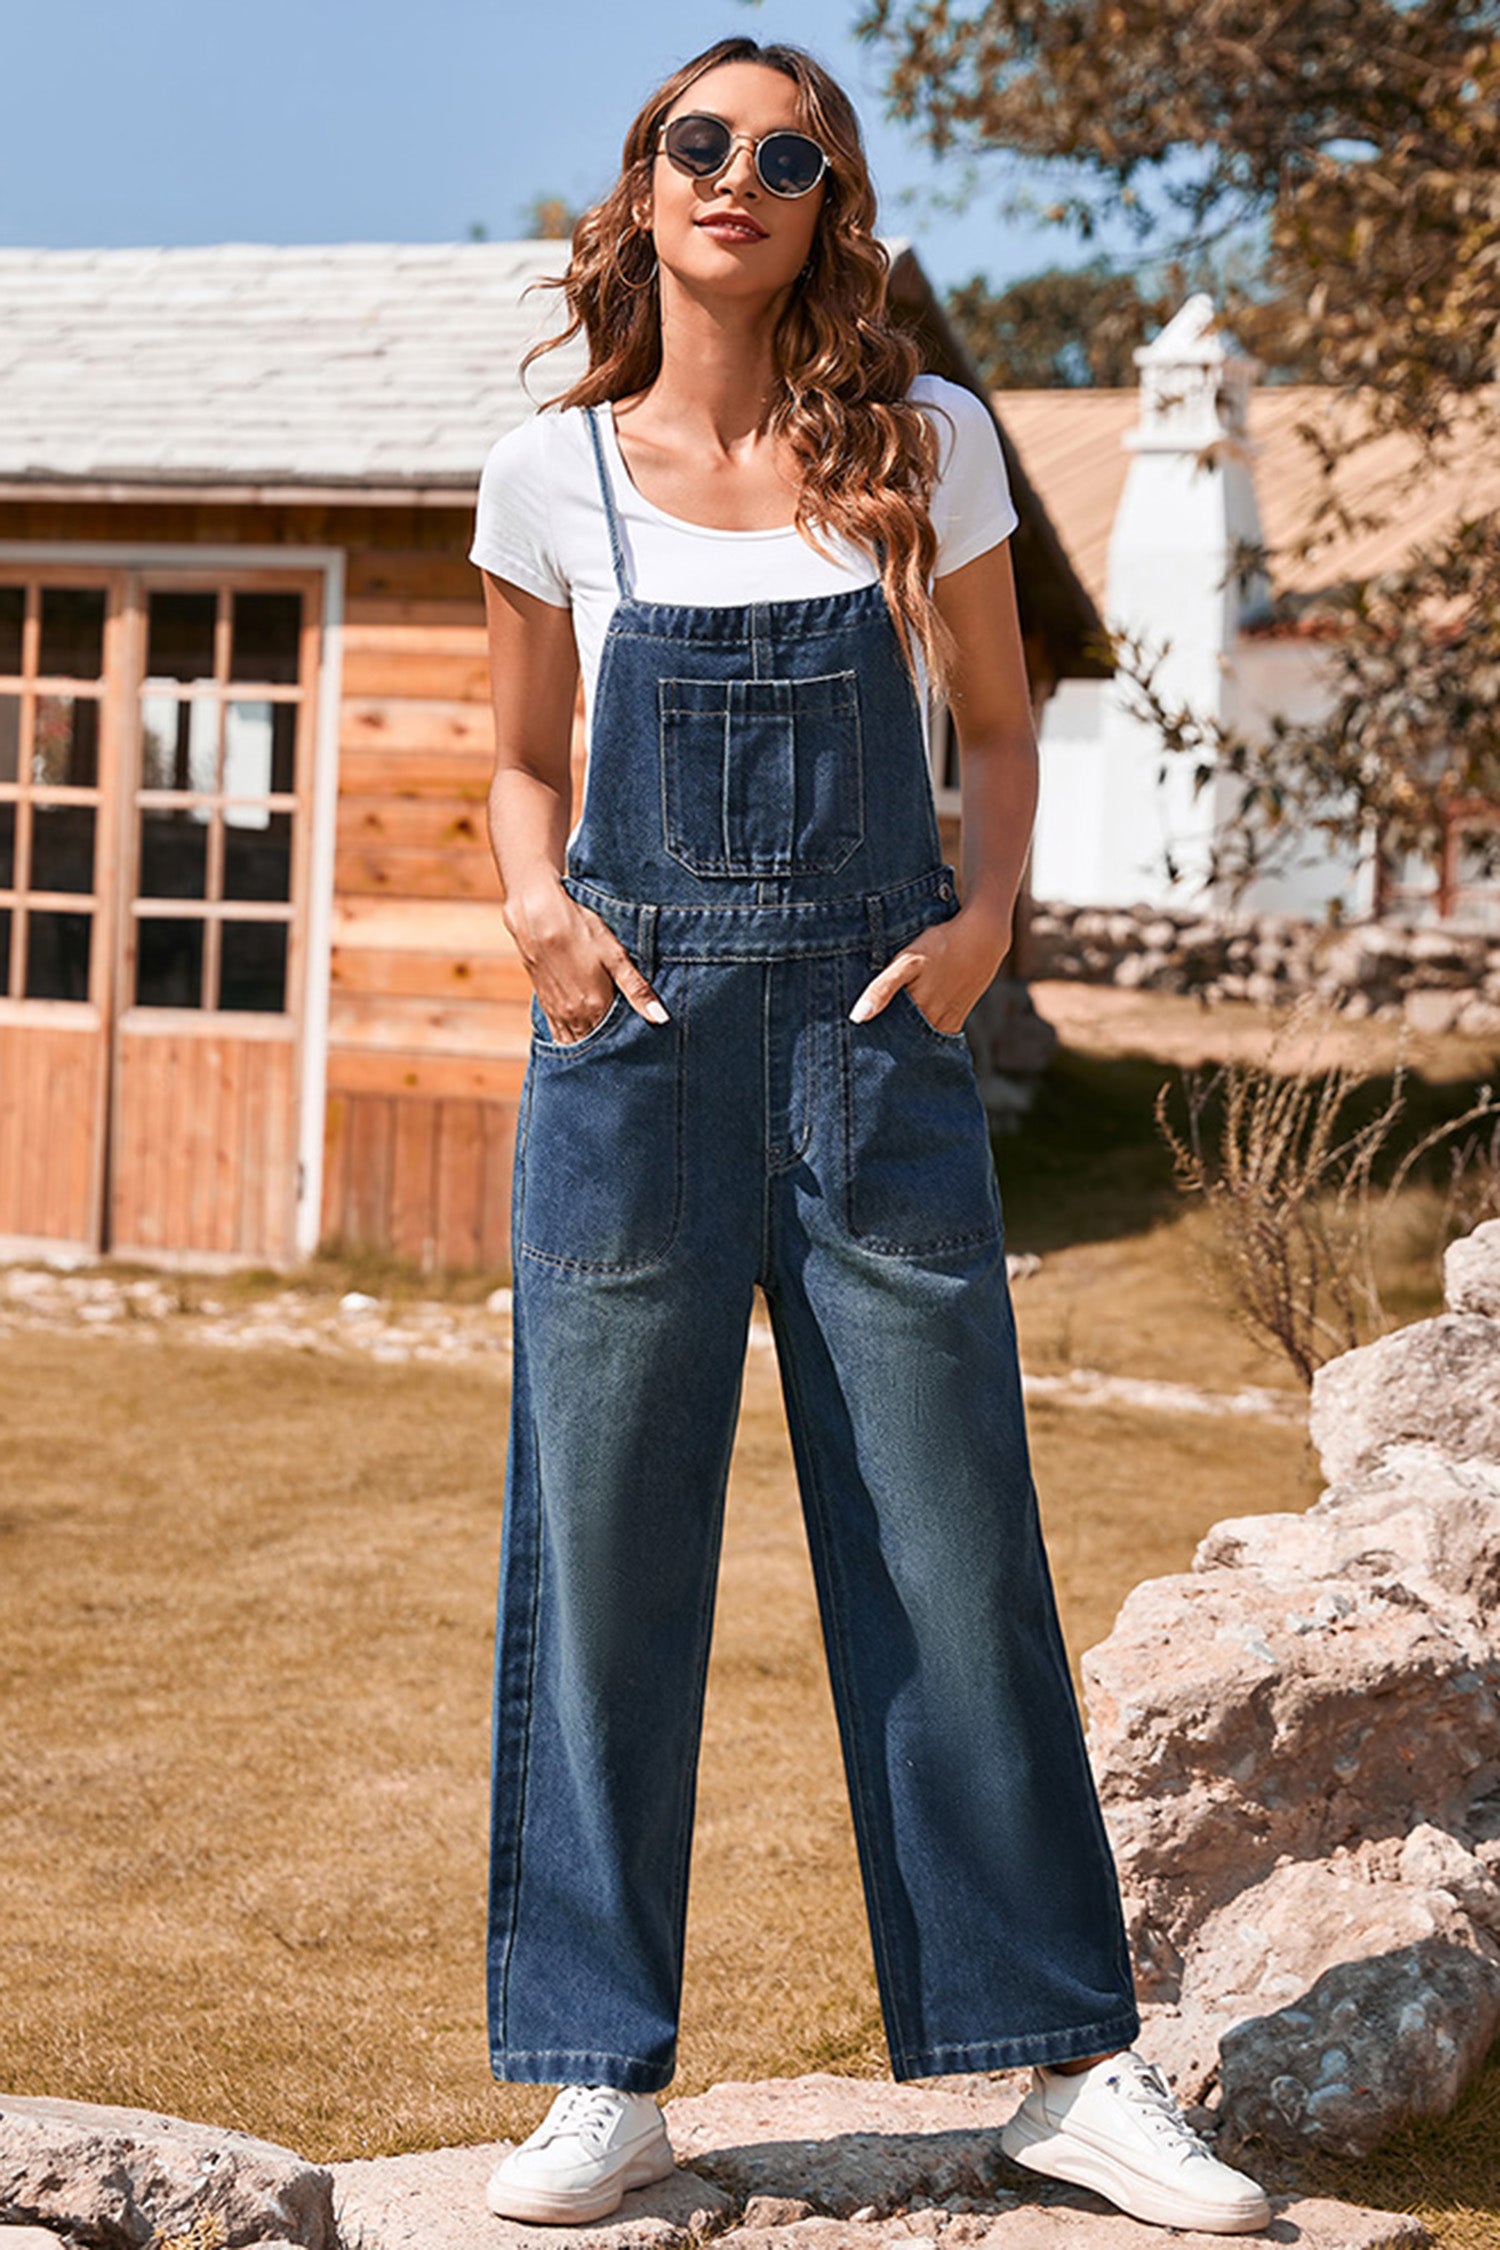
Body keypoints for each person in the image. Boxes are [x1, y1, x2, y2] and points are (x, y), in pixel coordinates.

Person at [467, 35, 1271, 2240]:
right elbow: (526, 764)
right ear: (642, 187)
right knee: (600, 1556)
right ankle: (593, 2079)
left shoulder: (930, 444)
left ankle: (1062, 2065)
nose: (738, 173)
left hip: (869, 1053)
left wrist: (979, 924)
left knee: (950, 1547)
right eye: (697, 142)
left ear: (833, 204)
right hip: (629, 1057)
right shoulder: (552, 476)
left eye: (785, 153)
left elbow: (1001, 731)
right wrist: (543, 921)